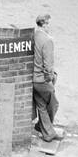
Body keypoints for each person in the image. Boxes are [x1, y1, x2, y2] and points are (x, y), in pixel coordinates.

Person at [32, 12, 60, 142]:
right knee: (54, 104)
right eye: (49, 24)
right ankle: (46, 130)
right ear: (44, 24)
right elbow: (48, 65)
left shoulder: (33, 35)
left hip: (33, 78)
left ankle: (45, 130)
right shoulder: (48, 40)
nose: (50, 27)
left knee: (41, 105)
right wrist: (50, 78)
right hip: (42, 79)